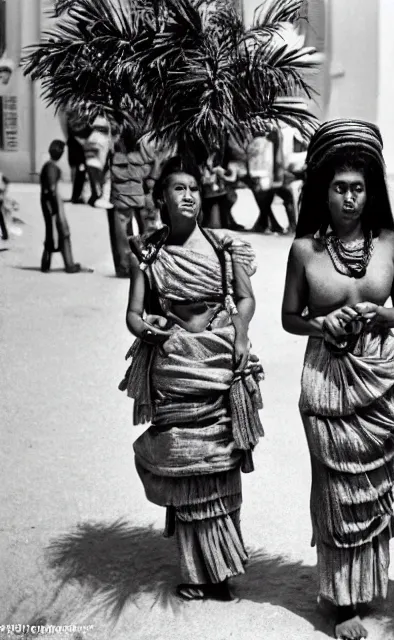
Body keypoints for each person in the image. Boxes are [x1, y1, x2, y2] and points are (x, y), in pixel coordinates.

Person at [281, 120, 394, 640]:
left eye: (358, 188)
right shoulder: (304, 251)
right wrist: (323, 322)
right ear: (323, 190)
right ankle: (341, 601)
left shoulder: (390, 243)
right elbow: (290, 317)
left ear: (371, 192)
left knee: (374, 486)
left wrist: (381, 316)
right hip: (328, 381)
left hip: (379, 380)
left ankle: (366, 585)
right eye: (339, 187)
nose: (349, 198)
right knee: (336, 488)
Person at [119, 156, 264, 601]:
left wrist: (240, 334)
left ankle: (222, 570)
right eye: (178, 188)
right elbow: (133, 313)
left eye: (194, 189)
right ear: (160, 197)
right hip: (175, 365)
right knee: (184, 464)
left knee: (220, 463)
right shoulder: (150, 253)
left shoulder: (224, 248)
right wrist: (149, 330)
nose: (188, 195)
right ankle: (193, 571)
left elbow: (245, 299)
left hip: (218, 360)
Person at [108, 128, 161, 278]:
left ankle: (125, 266)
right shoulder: (142, 153)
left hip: (120, 197)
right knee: (147, 229)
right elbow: (150, 170)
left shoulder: (115, 154)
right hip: (140, 194)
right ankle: (148, 261)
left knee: (123, 232)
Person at [39, 140, 92, 274]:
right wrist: (55, 209)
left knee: (53, 234)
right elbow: (51, 189)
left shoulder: (48, 165)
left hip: (50, 202)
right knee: (63, 233)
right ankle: (69, 264)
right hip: (54, 202)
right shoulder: (52, 168)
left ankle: (49, 264)